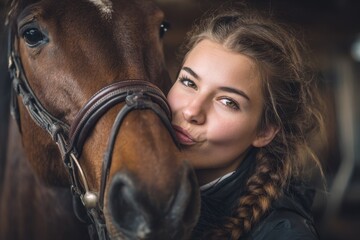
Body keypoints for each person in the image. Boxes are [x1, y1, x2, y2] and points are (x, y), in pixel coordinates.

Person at [167, 6, 325, 240]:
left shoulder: (285, 233)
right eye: (189, 83)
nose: (192, 111)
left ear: (264, 131)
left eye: (228, 102)